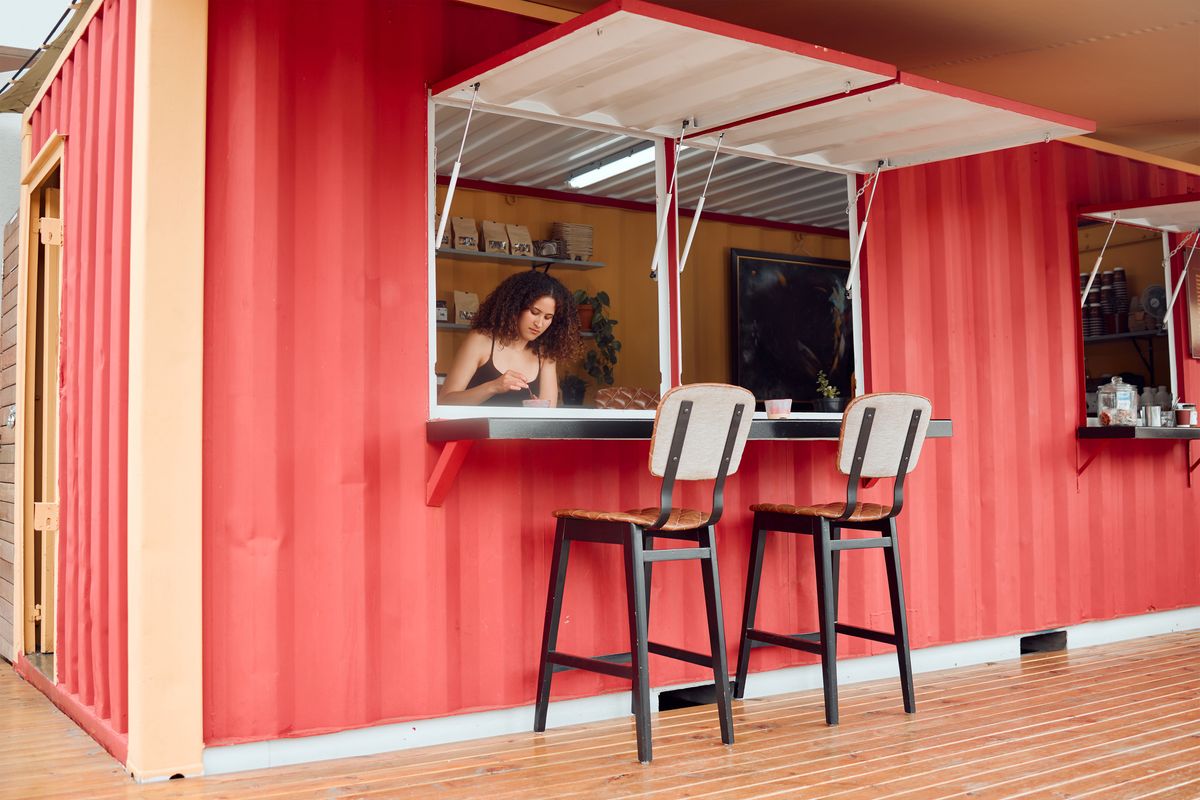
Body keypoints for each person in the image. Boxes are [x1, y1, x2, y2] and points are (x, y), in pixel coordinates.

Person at [439, 270, 582, 407]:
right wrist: (493, 387)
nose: (539, 323)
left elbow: (548, 413)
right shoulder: (481, 340)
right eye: (534, 312)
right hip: (476, 432)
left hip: (522, 433)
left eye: (547, 317)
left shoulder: (545, 354)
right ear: (515, 307)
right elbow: (445, 401)